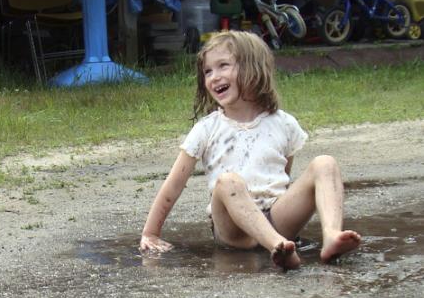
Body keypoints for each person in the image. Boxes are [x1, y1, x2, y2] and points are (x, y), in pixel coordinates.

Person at [139, 31, 361, 270]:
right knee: (228, 182)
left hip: (276, 218)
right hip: (233, 230)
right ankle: (277, 246)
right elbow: (172, 185)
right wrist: (150, 233)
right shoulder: (206, 129)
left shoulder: (284, 123)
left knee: (325, 163)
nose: (214, 77)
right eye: (208, 71)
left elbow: (282, 176)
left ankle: (331, 237)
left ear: (253, 68)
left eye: (223, 66)